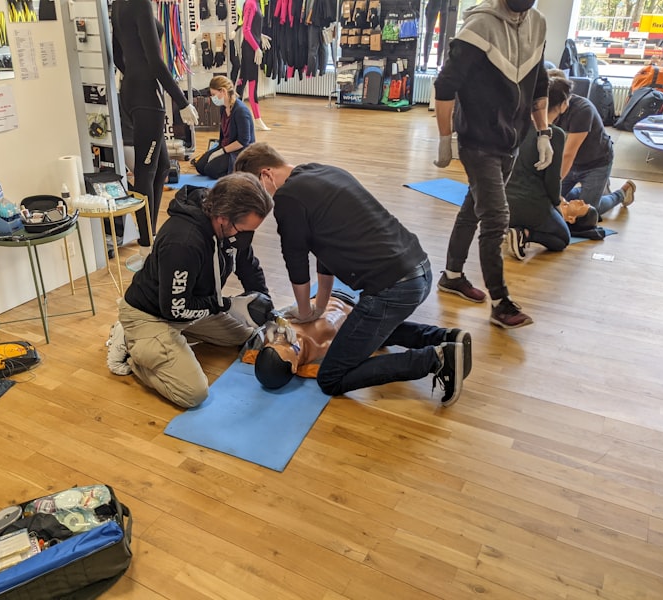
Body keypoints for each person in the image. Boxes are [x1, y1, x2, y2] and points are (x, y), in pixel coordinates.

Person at [235, 142, 471, 407]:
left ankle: (437, 358)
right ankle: (448, 338)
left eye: (257, 188)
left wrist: (303, 310)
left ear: (266, 174)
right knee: (360, 332)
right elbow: (325, 251)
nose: (259, 199)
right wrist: (319, 306)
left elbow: (296, 264)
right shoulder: (322, 171)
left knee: (331, 378)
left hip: (394, 288)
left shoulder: (287, 198)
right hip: (419, 270)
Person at [106, 173, 275, 408]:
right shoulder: (183, 243)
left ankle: (167, 343)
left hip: (190, 306)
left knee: (248, 336)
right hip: (153, 315)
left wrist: (266, 308)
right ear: (223, 218)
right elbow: (175, 309)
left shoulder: (232, 228)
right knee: (193, 394)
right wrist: (227, 305)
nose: (246, 236)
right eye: (243, 229)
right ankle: (133, 349)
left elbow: (248, 266)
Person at [433, 0, 551, 329]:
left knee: (474, 207)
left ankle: (452, 276)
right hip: (478, 140)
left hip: (511, 139)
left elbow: (539, 81)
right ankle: (500, 301)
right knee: (496, 217)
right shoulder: (480, 26)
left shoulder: (537, 24)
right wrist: (445, 138)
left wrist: (543, 132)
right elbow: (445, 85)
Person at [111, 0, 199, 263]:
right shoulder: (140, 4)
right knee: (146, 171)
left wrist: (134, 78)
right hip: (147, 96)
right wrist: (183, 103)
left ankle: (151, 234)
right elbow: (156, 62)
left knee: (161, 167)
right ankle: (146, 245)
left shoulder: (117, 4)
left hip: (132, 90)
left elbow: (117, 53)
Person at [546, 70, 637, 218]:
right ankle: (594, 190)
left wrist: (552, 186)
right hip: (571, 164)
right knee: (551, 204)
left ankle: (621, 193)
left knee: (588, 213)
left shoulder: (582, 110)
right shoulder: (546, 107)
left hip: (596, 163)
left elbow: (568, 154)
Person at [504, 119, 568, 258]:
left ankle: (512, 230)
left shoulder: (511, 123)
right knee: (563, 240)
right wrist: (557, 205)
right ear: (563, 105)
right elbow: (552, 181)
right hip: (531, 203)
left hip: (503, 202)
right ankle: (525, 235)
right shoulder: (555, 134)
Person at [193, 76, 255, 179]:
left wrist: (222, 151)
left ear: (223, 91)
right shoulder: (223, 109)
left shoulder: (240, 111)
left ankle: (238, 171)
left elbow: (243, 141)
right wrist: (218, 149)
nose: (212, 98)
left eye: (213, 95)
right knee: (200, 166)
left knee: (210, 170)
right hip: (225, 146)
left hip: (239, 151)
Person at [236, 0, 270, 131]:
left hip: (251, 46)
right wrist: (256, 47)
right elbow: (246, 29)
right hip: (250, 49)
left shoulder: (256, 3)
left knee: (242, 81)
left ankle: (233, 115)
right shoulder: (250, 3)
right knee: (252, 82)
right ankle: (257, 119)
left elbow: (252, 27)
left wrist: (260, 36)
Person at [421, 0, 450, 71]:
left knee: (439, 35)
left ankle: (437, 64)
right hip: (437, 5)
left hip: (440, 5)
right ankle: (429, 63)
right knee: (431, 34)